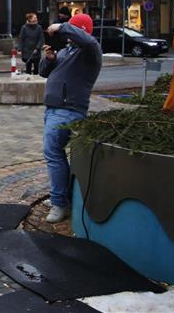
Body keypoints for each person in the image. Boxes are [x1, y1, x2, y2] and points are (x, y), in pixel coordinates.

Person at [39, 13, 102, 223]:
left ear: (79, 31)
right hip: (52, 109)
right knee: (55, 153)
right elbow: (44, 73)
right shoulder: (67, 51)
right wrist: (48, 60)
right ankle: (61, 196)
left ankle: (59, 203)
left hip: (68, 110)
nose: (65, 35)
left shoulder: (89, 51)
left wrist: (62, 25)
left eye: (71, 30)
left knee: (53, 152)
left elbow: (89, 40)